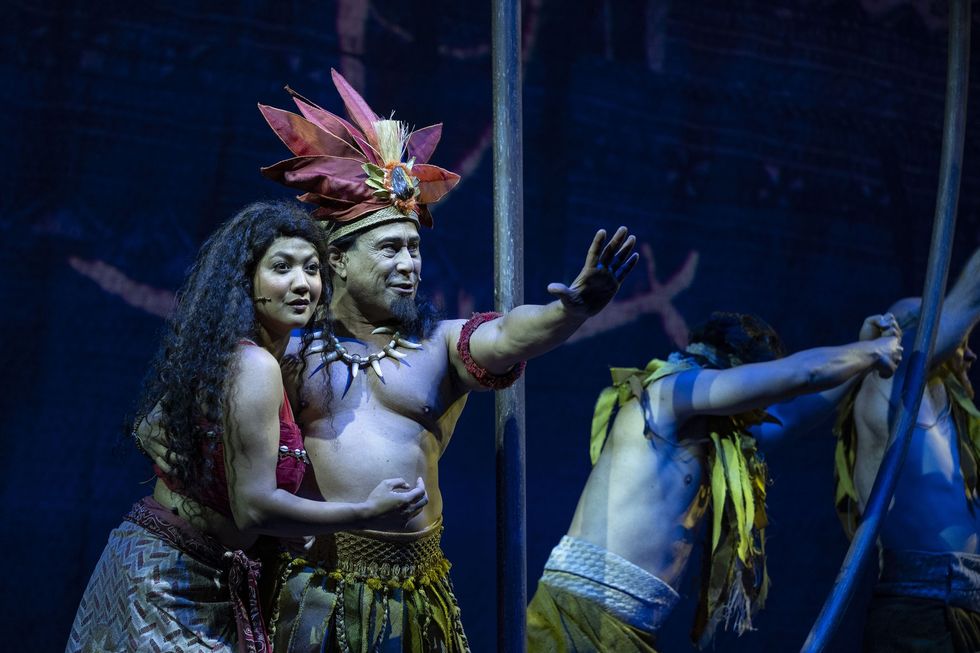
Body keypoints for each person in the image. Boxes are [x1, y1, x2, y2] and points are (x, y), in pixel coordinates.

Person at [241, 69, 639, 652]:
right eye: (390, 248)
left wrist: (569, 314)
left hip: (412, 602)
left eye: (415, 248)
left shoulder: (440, 346)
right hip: (311, 595)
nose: (410, 264)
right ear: (338, 261)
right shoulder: (288, 352)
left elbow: (508, 335)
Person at [67, 201, 429, 653]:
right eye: (281, 267)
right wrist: (366, 512)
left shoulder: (263, 358)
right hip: (168, 581)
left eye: (312, 269)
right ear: (246, 279)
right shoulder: (253, 363)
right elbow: (254, 508)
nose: (302, 283)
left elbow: (155, 420)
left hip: (197, 573)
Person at [525, 310, 904, 652]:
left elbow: (795, 411)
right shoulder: (668, 393)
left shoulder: (717, 431)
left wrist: (861, 353)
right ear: (735, 371)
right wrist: (870, 352)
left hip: (627, 627)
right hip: (580, 612)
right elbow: (798, 375)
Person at [833, 247, 980, 653]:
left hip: (967, 606)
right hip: (921, 609)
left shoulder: (954, 416)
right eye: (957, 339)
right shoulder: (885, 388)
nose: (968, 352)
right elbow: (968, 300)